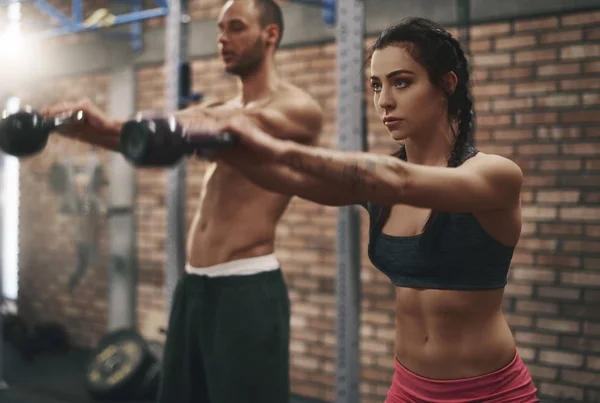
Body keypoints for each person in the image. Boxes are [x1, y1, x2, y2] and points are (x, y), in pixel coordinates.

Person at [211, 17, 540, 403]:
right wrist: (222, 147)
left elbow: (400, 179)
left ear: (447, 85)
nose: (384, 101)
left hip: (488, 393)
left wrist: (275, 147)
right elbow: (290, 181)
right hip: (407, 388)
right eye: (376, 86)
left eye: (402, 82)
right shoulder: (380, 186)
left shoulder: (494, 174)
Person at [40, 1, 324, 402]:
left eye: (236, 27)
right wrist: (85, 129)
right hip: (194, 286)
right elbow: (148, 136)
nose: (223, 38)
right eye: (220, 29)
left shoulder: (296, 109)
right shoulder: (218, 111)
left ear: (270, 35)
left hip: (245, 287)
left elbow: (230, 127)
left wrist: (139, 128)